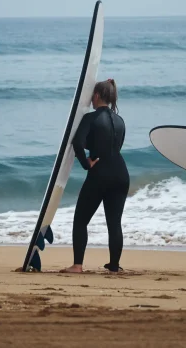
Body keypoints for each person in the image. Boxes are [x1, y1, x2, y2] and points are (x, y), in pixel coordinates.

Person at [61, 79, 130, 273]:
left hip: (100, 173)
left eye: (92, 95)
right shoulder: (120, 121)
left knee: (81, 220)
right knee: (114, 222)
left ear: (97, 96)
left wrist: (86, 164)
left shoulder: (91, 118)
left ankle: (77, 265)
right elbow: (115, 146)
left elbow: (77, 142)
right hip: (121, 173)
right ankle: (114, 266)